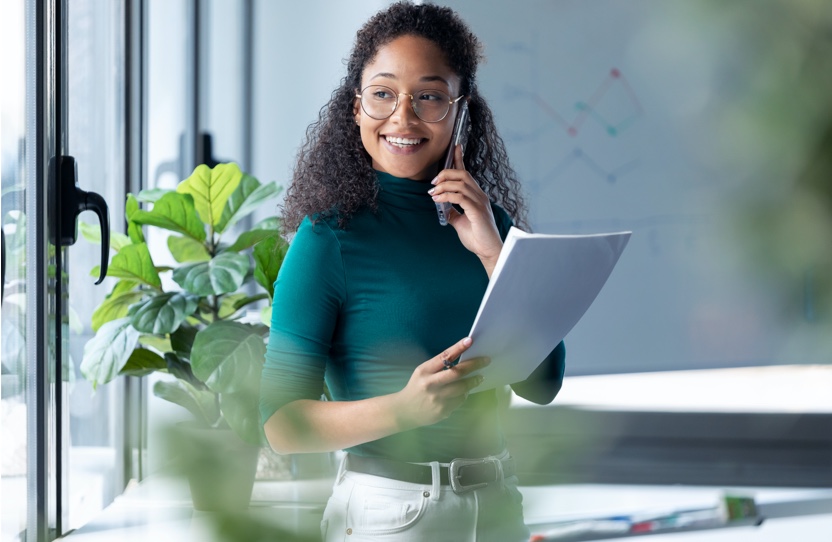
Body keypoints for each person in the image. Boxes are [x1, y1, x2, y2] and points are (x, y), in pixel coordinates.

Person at [260, 3, 566, 540]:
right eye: (383, 94)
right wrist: (403, 410)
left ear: (460, 111)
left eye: (429, 96)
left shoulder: (489, 223)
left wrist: (495, 254)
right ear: (355, 108)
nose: (403, 118)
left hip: (497, 502)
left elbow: (544, 383)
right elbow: (280, 425)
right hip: (391, 513)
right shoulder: (326, 238)